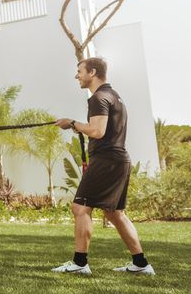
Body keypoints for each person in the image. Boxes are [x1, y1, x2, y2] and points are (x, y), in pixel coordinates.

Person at [53, 57, 154, 275]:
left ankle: (80, 263)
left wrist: (72, 123)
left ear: (92, 72)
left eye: (80, 71)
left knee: (80, 207)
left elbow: (97, 131)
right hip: (117, 160)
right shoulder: (114, 96)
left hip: (107, 160)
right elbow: (101, 130)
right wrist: (79, 126)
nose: (77, 76)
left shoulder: (98, 97)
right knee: (114, 213)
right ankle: (141, 264)